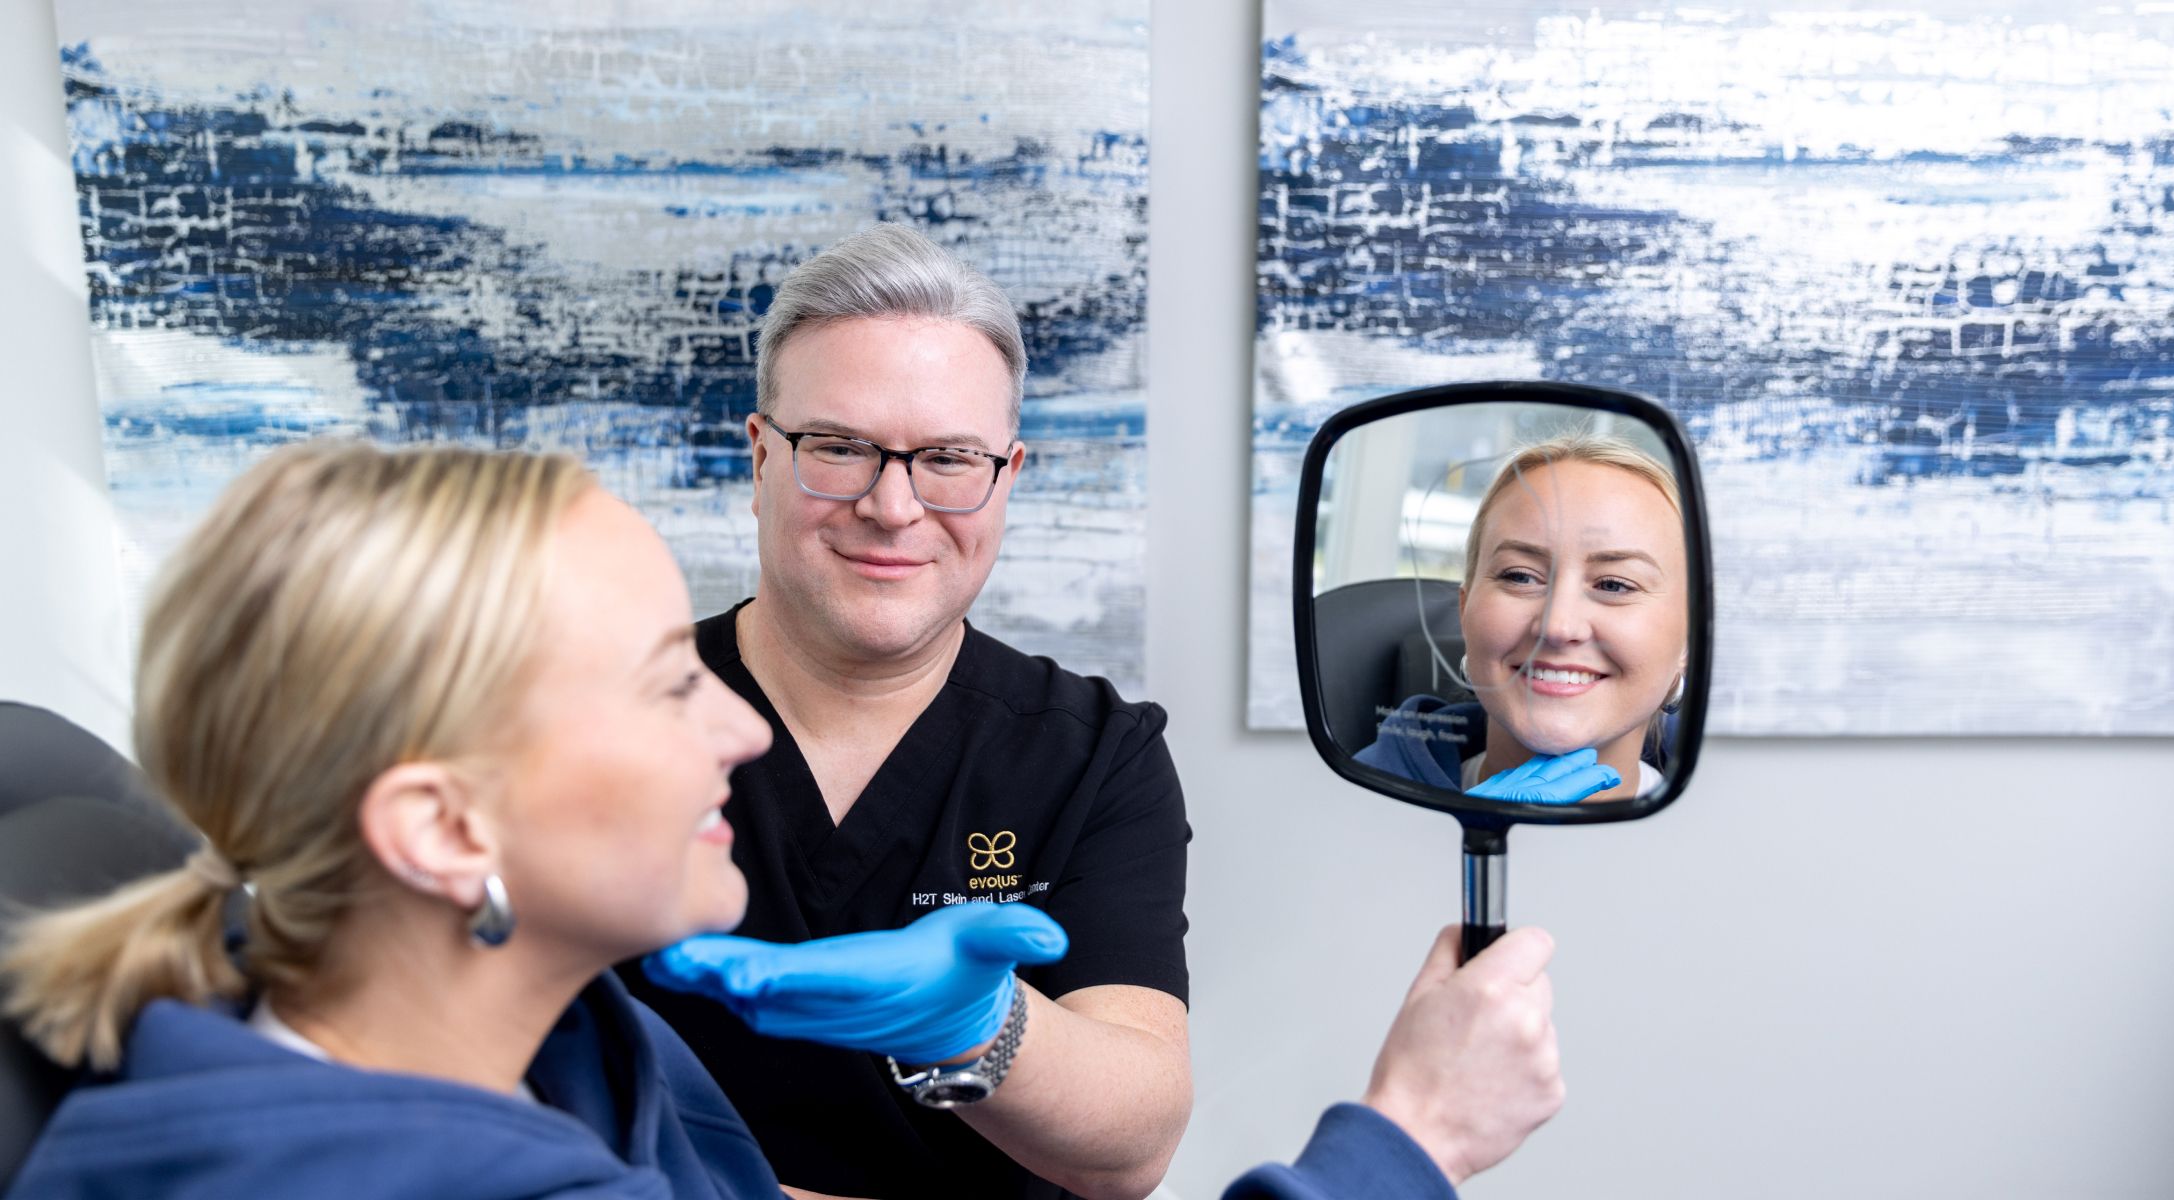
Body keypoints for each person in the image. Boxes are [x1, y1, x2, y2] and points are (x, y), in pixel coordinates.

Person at [0, 441, 1565, 1200]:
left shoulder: (566, 1047)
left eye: (954, 459)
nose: (739, 724)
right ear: (442, 829)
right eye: (661, 686)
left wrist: (988, 1037)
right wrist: (1410, 1141)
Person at [619, 224, 1193, 1200]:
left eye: (948, 459)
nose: (893, 506)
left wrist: (976, 1029)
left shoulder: (1096, 754)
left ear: (1007, 477)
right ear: (759, 458)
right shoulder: (608, 714)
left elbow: (1132, 1147)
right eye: (839, 448)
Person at [1356, 433, 1690, 804]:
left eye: (1614, 584)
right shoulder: (1346, 812)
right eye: (1520, 576)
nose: (1557, 626)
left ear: (1690, 639)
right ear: (1465, 611)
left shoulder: (1741, 835)